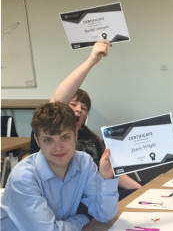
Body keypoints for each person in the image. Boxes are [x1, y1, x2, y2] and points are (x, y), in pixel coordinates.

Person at [29, 40, 141, 196]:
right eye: (73, 104)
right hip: (70, 196)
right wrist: (91, 61)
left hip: (99, 191)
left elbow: (111, 171)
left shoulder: (91, 137)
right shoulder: (47, 132)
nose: (78, 110)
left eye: (84, 108)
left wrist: (141, 191)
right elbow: (58, 99)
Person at [1, 102, 119, 230]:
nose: (58, 148)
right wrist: (81, 219)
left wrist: (107, 179)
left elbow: (104, 216)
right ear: (37, 140)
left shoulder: (84, 162)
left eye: (65, 137)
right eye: (48, 140)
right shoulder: (23, 178)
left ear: (76, 135)